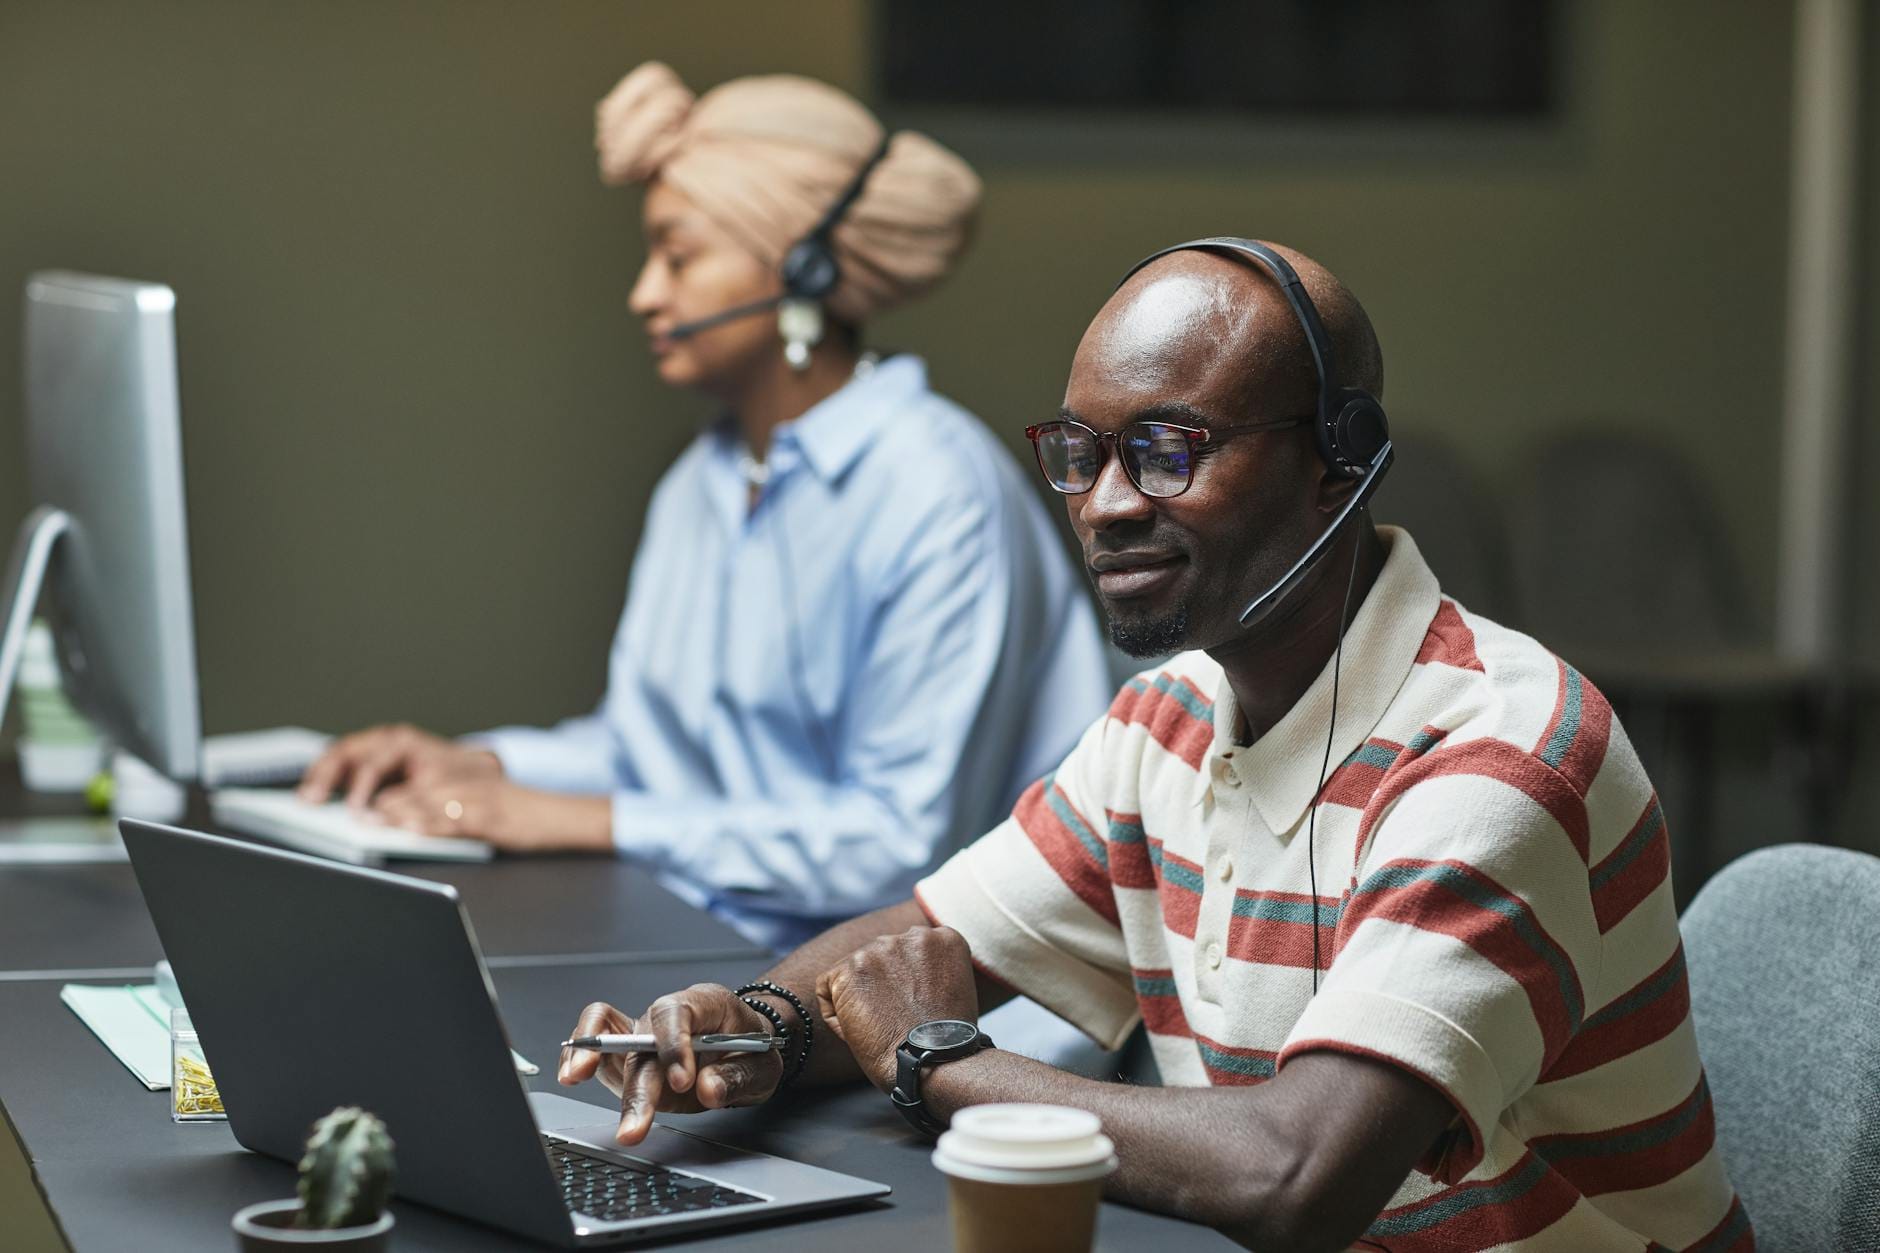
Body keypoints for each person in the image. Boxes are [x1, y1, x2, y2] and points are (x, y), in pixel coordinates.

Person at [558, 240, 1752, 1251]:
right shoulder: (1166, 718)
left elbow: (1293, 1172)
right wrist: (754, 1025)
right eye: (1081, 452)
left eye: (1169, 447)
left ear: (1341, 454)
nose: (1107, 502)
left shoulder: (1498, 754)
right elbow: (917, 949)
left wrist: (938, 1060)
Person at [298, 62, 1110, 949]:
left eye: (678, 255)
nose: (645, 293)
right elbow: (655, 753)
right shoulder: (703, 482)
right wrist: (483, 767)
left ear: (800, 269)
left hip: (903, 1008)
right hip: (712, 947)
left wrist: (578, 818)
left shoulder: (939, 489)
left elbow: (894, 843)